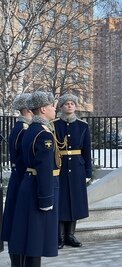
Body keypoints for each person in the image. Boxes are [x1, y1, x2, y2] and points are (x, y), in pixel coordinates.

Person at [8, 91, 59, 267]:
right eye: (52, 106)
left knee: (30, 237)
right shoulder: (43, 134)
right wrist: (46, 198)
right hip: (38, 187)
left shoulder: (31, 129)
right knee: (35, 239)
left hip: (29, 183)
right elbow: (44, 168)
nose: (54, 109)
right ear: (43, 109)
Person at [52, 93, 92, 249]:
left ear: (76, 106)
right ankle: (59, 236)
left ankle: (70, 235)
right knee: (61, 200)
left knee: (74, 200)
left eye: (72, 103)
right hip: (60, 167)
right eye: (66, 103)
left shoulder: (83, 126)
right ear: (61, 106)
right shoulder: (53, 125)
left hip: (77, 168)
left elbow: (86, 150)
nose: (69, 105)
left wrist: (87, 172)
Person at [1, 93, 32, 266]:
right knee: (18, 222)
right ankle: (17, 261)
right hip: (21, 179)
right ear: (28, 109)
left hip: (18, 179)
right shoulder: (23, 129)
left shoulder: (20, 127)